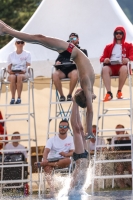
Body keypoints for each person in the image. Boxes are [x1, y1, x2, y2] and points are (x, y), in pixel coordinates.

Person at [0, 20, 95, 139]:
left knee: (39, 38)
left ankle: (5, 29)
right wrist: (90, 131)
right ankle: (5, 29)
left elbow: (90, 107)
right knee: (39, 38)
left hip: (70, 52)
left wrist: (89, 129)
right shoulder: (86, 83)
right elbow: (89, 110)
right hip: (71, 51)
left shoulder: (89, 87)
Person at [35, 119, 74, 194]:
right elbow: (46, 151)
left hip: (63, 160)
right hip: (51, 159)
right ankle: (52, 190)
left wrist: (66, 154)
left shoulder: (71, 139)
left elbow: (72, 152)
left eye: (65, 126)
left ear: (68, 128)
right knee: (46, 168)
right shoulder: (51, 139)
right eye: (61, 126)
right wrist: (45, 160)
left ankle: (45, 164)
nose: (62, 128)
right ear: (58, 127)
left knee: (68, 160)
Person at [100, 26, 133, 102]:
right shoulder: (109, 46)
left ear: (123, 34)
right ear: (114, 34)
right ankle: (109, 93)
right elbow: (102, 58)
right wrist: (105, 59)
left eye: (120, 33)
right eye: (116, 33)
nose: (118, 35)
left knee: (124, 68)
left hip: (122, 66)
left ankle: (119, 91)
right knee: (104, 69)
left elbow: (132, 55)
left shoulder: (129, 45)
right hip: (111, 66)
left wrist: (128, 59)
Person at [53, 32, 88, 101]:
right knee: (55, 74)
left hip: (73, 69)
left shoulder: (82, 51)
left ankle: (69, 94)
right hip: (63, 70)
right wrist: (57, 63)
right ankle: (62, 96)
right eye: (70, 38)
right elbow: (57, 62)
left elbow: (85, 63)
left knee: (75, 73)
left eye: (74, 38)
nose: (72, 40)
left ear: (78, 39)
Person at [68, 90, 89, 195]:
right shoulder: (75, 182)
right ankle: (74, 102)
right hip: (81, 157)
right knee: (77, 128)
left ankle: (75, 102)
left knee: (79, 128)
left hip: (82, 158)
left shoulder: (76, 183)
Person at [7, 39, 31, 104]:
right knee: (13, 77)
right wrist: (10, 71)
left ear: (24, 44)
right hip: (13, 72)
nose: (20, 44)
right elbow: (8, 68)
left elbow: (28, 66)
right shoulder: (11, 55)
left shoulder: (27, 54)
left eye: (22, 42)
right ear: (15, 44)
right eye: (18, 42)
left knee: (19, 76)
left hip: (23, 73)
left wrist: (24, 70)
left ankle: (19, 97)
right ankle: (12, 98)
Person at [111, 124, 131, 188]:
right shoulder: (114, 138)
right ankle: (123, 186)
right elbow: (113, 150)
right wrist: (119, 140)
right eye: (116, 130)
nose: (117, 131)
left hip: (129, 157)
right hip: (119, 157)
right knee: (119, 170)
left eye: (119, 130)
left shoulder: (129, 137)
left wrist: (128, 139)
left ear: (123, 130)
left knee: (131, 169)